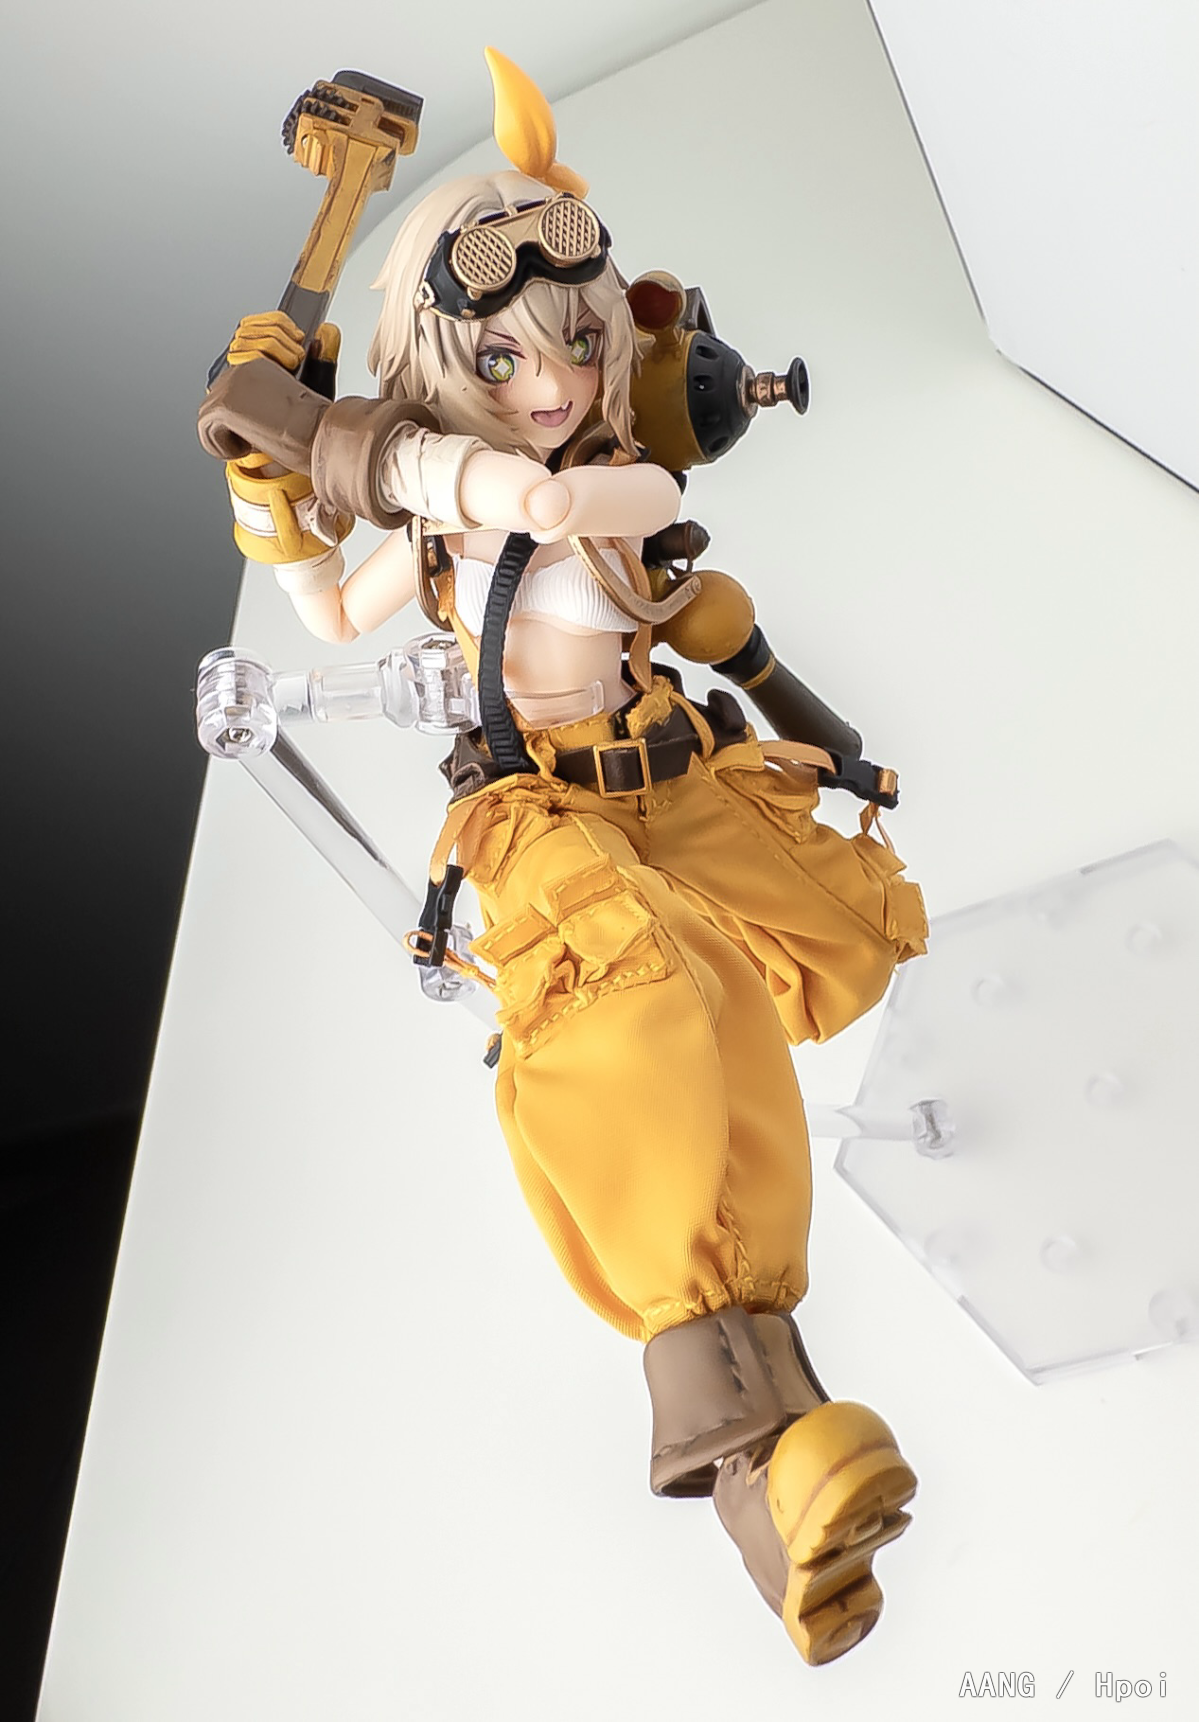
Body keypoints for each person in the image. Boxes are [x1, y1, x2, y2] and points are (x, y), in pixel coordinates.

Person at [200, 48, 929, 1666]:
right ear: (440, 365)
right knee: (643, 1007)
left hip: (661, 762)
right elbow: (328, 609)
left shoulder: (607, 480)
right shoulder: (448, 513)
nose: (551, 375)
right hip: (533, 805)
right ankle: (760, 1458)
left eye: (577, 336)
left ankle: (767, 1429)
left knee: (837, 948)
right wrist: (272, 490)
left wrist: (346, 441)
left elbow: (556, 499)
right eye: (502, 355)